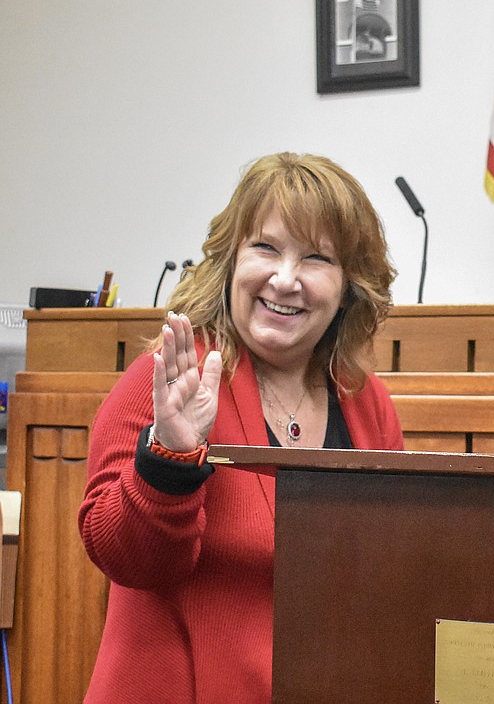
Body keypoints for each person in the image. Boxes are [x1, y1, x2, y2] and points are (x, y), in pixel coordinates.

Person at [78, 152, 405, 702]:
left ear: (350, 286)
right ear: (230, 259)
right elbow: (121, 557)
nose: (285, 279)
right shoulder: (165, 379)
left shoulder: (363, 399)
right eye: (266, 247)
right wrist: (168, 461)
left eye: (317, 258)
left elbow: (385, 567)